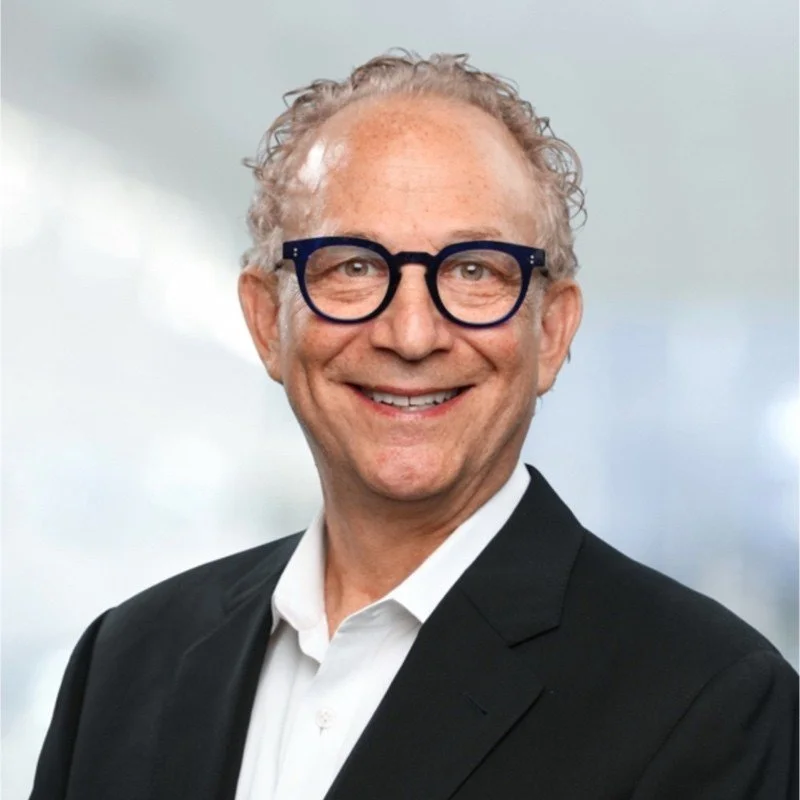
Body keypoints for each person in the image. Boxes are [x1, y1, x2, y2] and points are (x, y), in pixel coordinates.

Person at [31, 51, 797, 800]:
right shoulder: (125, 663)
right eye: (352, 266)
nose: (410, 334)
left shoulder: (711, 703)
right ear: (267, 321)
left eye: (474, 271)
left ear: (553, 334)